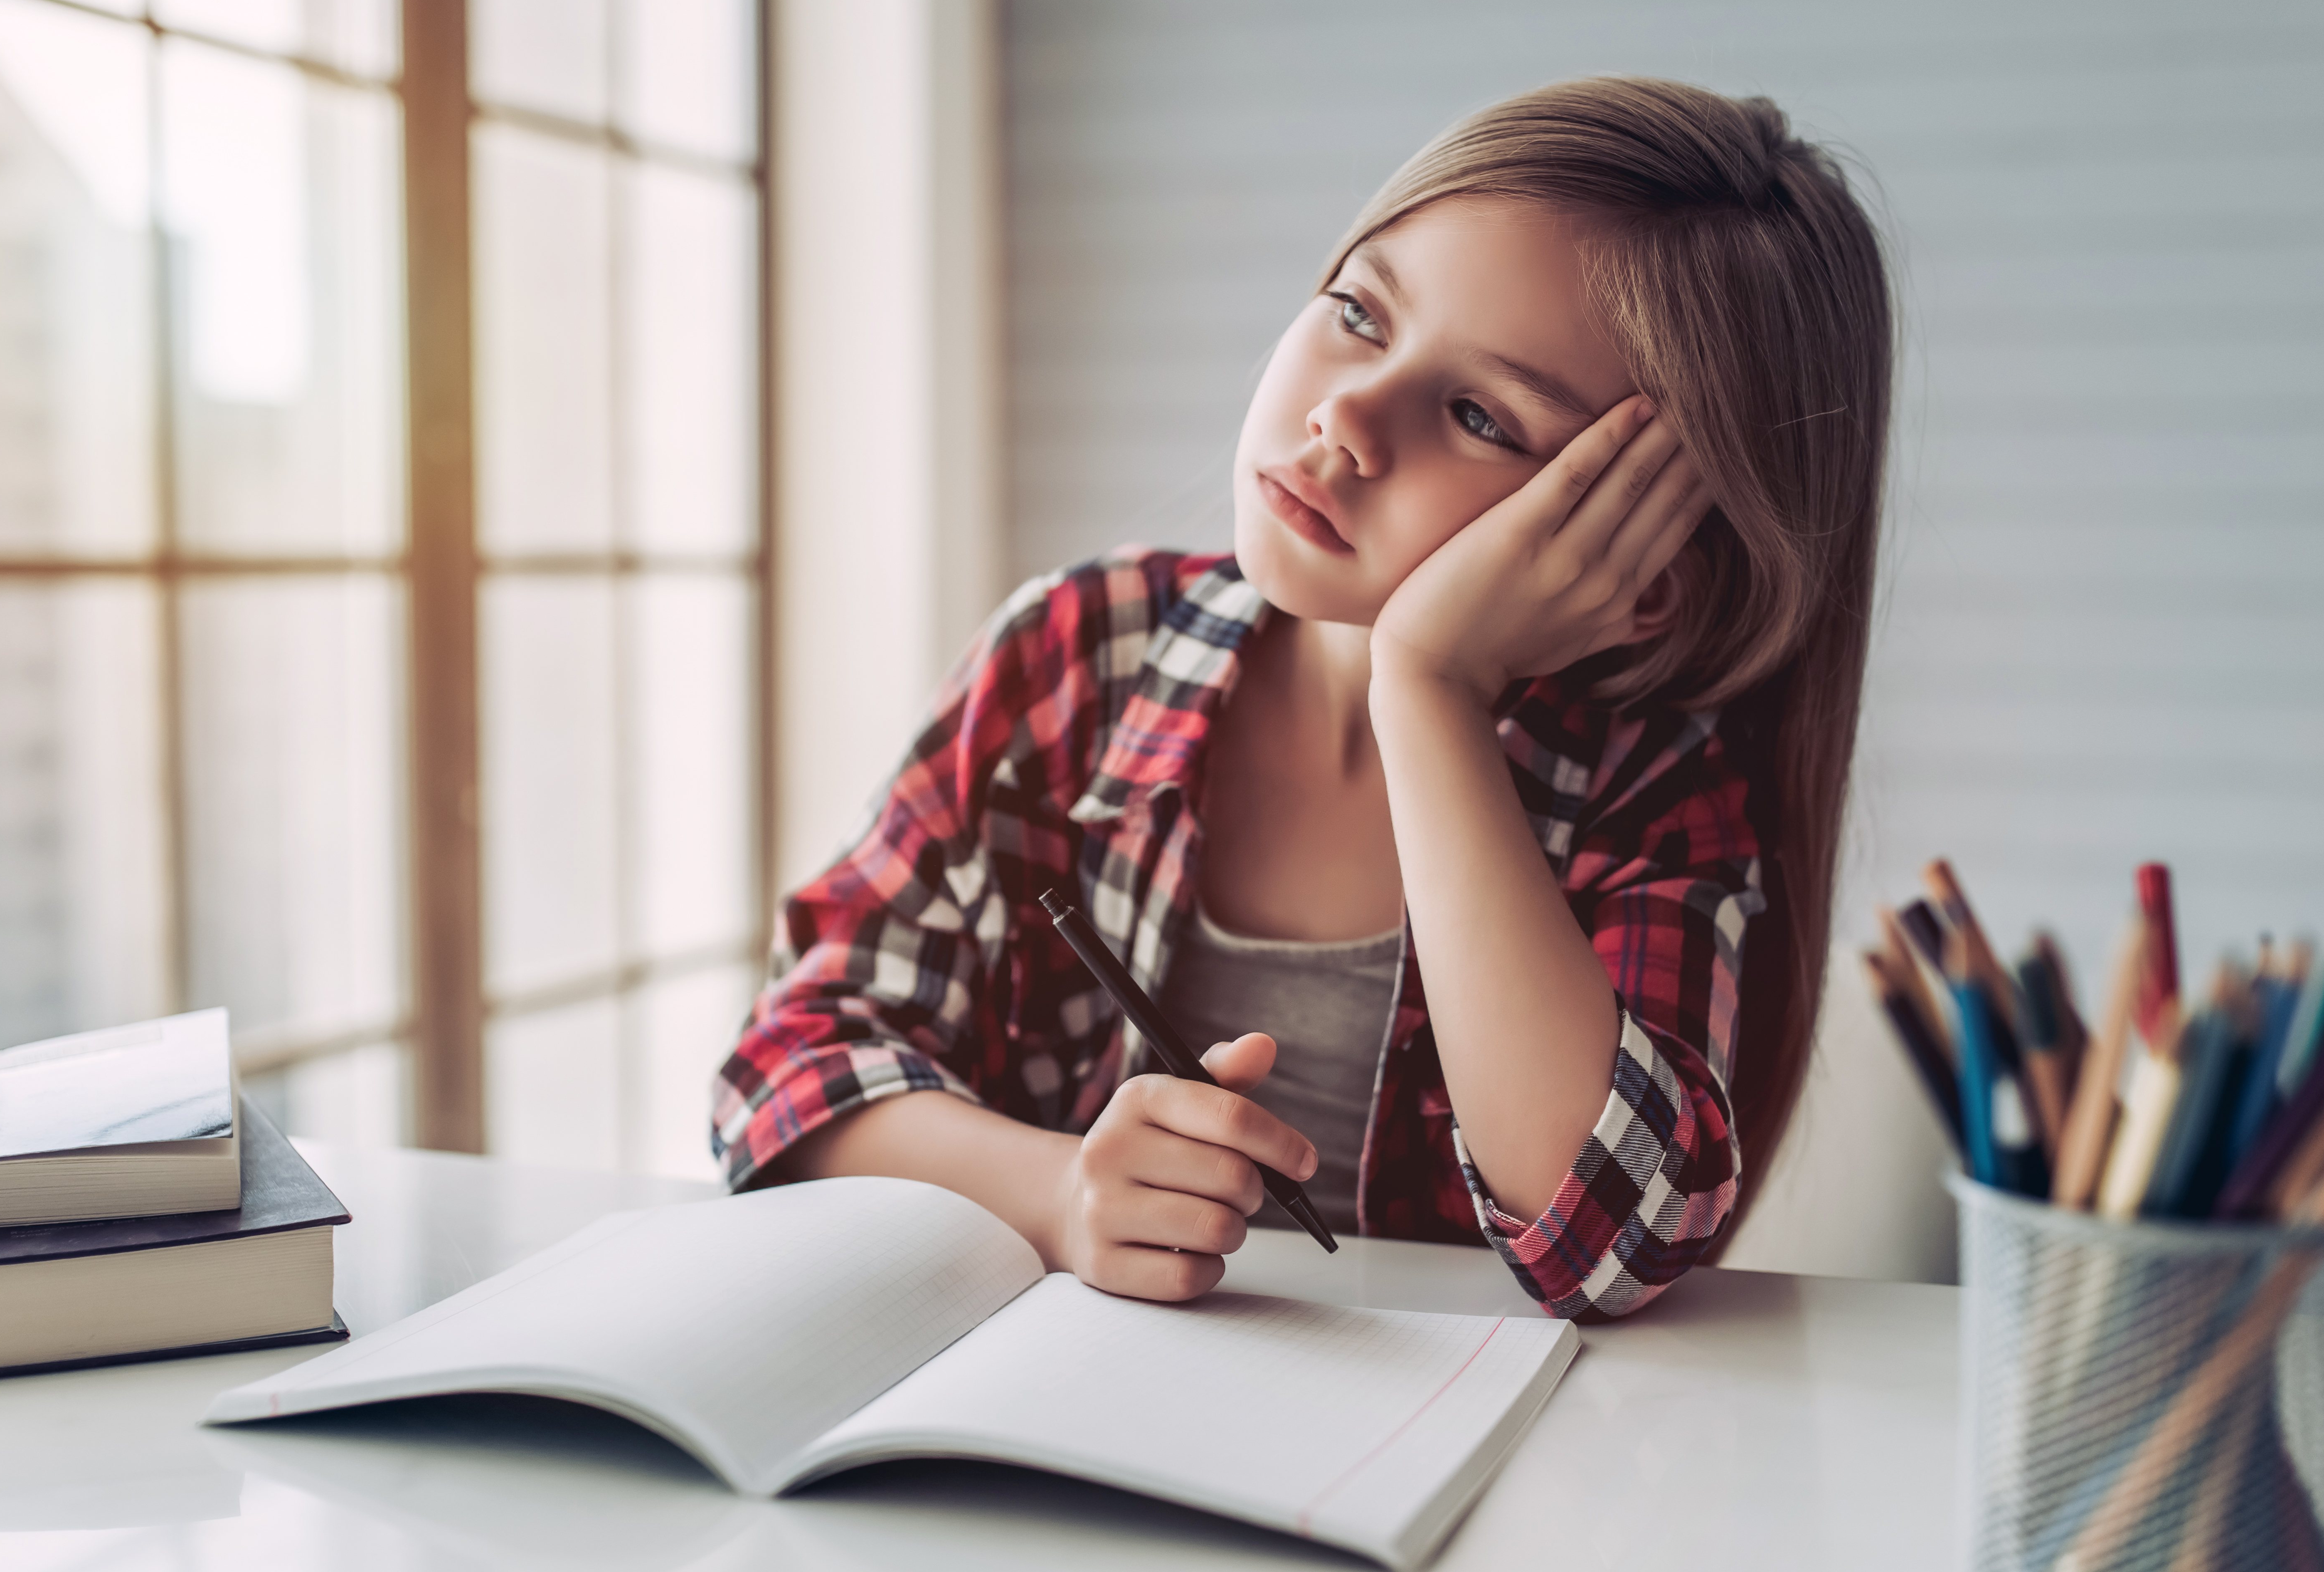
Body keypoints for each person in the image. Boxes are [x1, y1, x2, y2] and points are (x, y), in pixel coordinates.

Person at [713, 77, 1892, 1318]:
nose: (1345, 418)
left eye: (1482, 416)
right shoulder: (1076, 655)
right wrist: (1062, 1196)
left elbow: (1612, 1243)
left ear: (1646, 578)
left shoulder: (1647, 786)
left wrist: (1428, 689)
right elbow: (784, 1073)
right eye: (1357, 311)